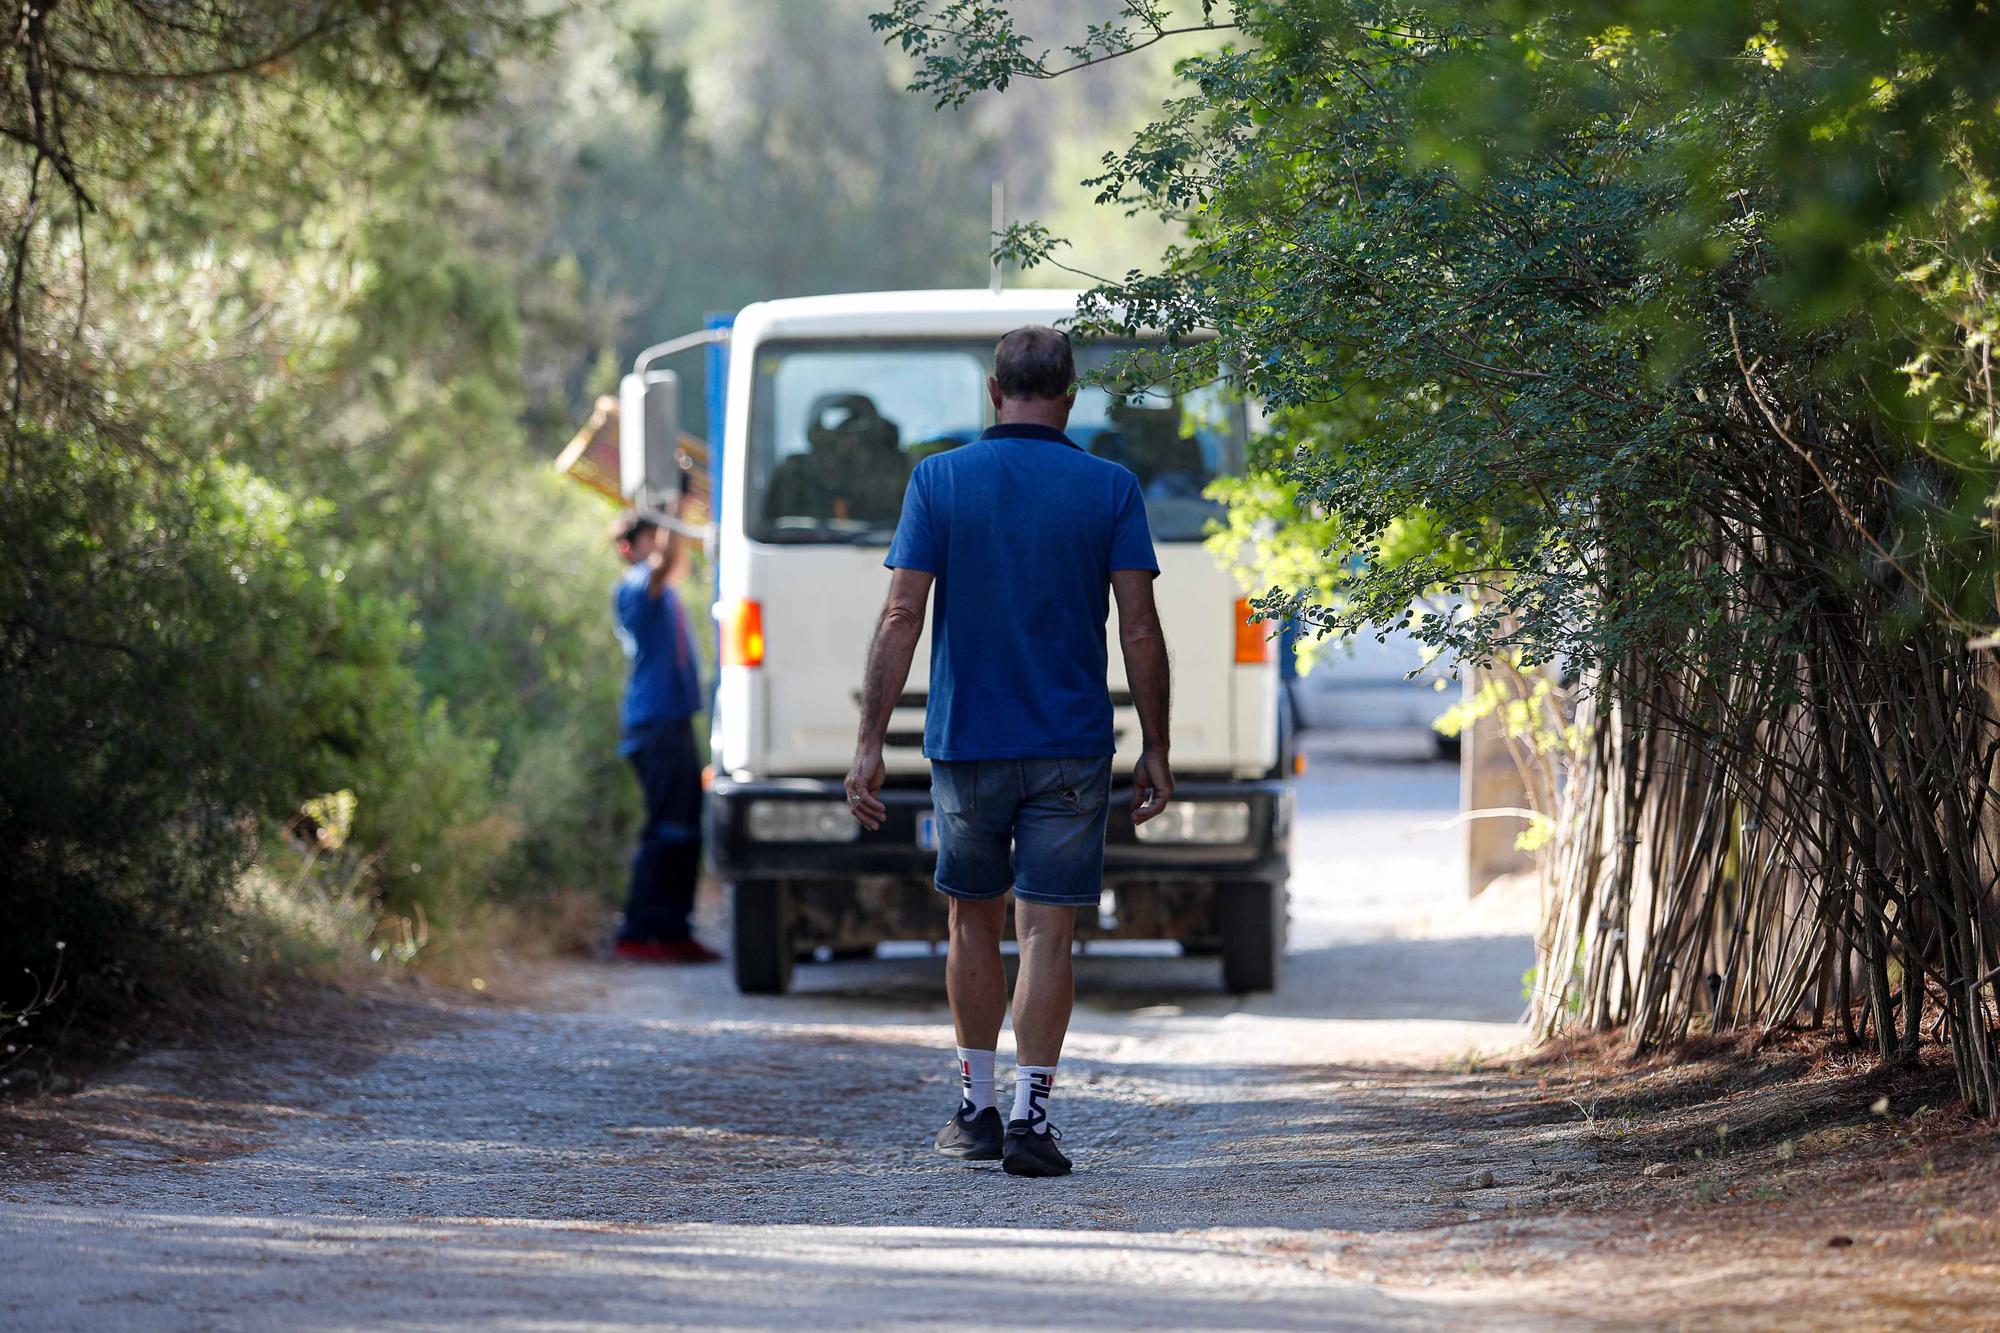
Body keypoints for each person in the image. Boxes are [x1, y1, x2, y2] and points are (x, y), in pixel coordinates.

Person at [844, 326, 1175, 1178]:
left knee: (971, 919)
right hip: (1070, 743)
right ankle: (1032, 1118)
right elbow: (1139, 625)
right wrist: (1158, 746)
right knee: (1049, 932)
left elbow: (899, 617)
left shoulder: (940, 481)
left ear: (994, 393)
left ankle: (976, 1108)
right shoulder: (1110, 488)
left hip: (967, 742)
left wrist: (869, 743)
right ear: (1069, 397)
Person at [611, 499, 722, 964]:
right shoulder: (635, 587)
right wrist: (673, 512)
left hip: (672, 721)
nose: (659, 545)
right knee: (663, 830)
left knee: (684, 829)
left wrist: (671, 517)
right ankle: (639, 932)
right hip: (654, 724)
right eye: (649, 537)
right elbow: (663, 565)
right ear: (627, 548)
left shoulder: (662, 587)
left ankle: (674, 930)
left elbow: (673, 562)